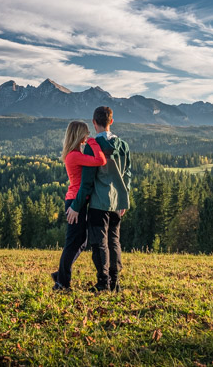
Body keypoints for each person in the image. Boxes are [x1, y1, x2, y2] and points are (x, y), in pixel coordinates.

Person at [67, 106, 131, 292]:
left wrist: (76, 206)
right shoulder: (124, 146)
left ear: (94, 123)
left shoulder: (91, 147)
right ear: (111, 121)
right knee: (114, 241)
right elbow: (127, 175)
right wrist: (123, 199)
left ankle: (103, 283)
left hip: (98, 203)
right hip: (117, 203)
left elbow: (86, 182)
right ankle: (115, 283)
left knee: (99, 243)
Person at [52, 121, 107, 291]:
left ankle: (61, 274)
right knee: (72, 243)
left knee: (81, 242)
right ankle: (62, 282)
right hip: (76, 202)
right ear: (78, 135)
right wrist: (93, 142)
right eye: (85, 133)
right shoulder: (74, 155)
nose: (87, 136)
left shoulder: (74, 154)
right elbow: (101, 160)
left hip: (77, 201)